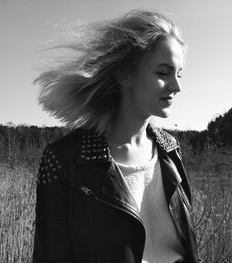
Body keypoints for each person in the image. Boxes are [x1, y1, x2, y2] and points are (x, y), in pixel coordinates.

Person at [33, 9, 199, 263]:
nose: (176, 86)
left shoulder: (170, 150)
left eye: (178, 74)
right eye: (163, 72)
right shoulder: (66, 160)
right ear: (125, 73)